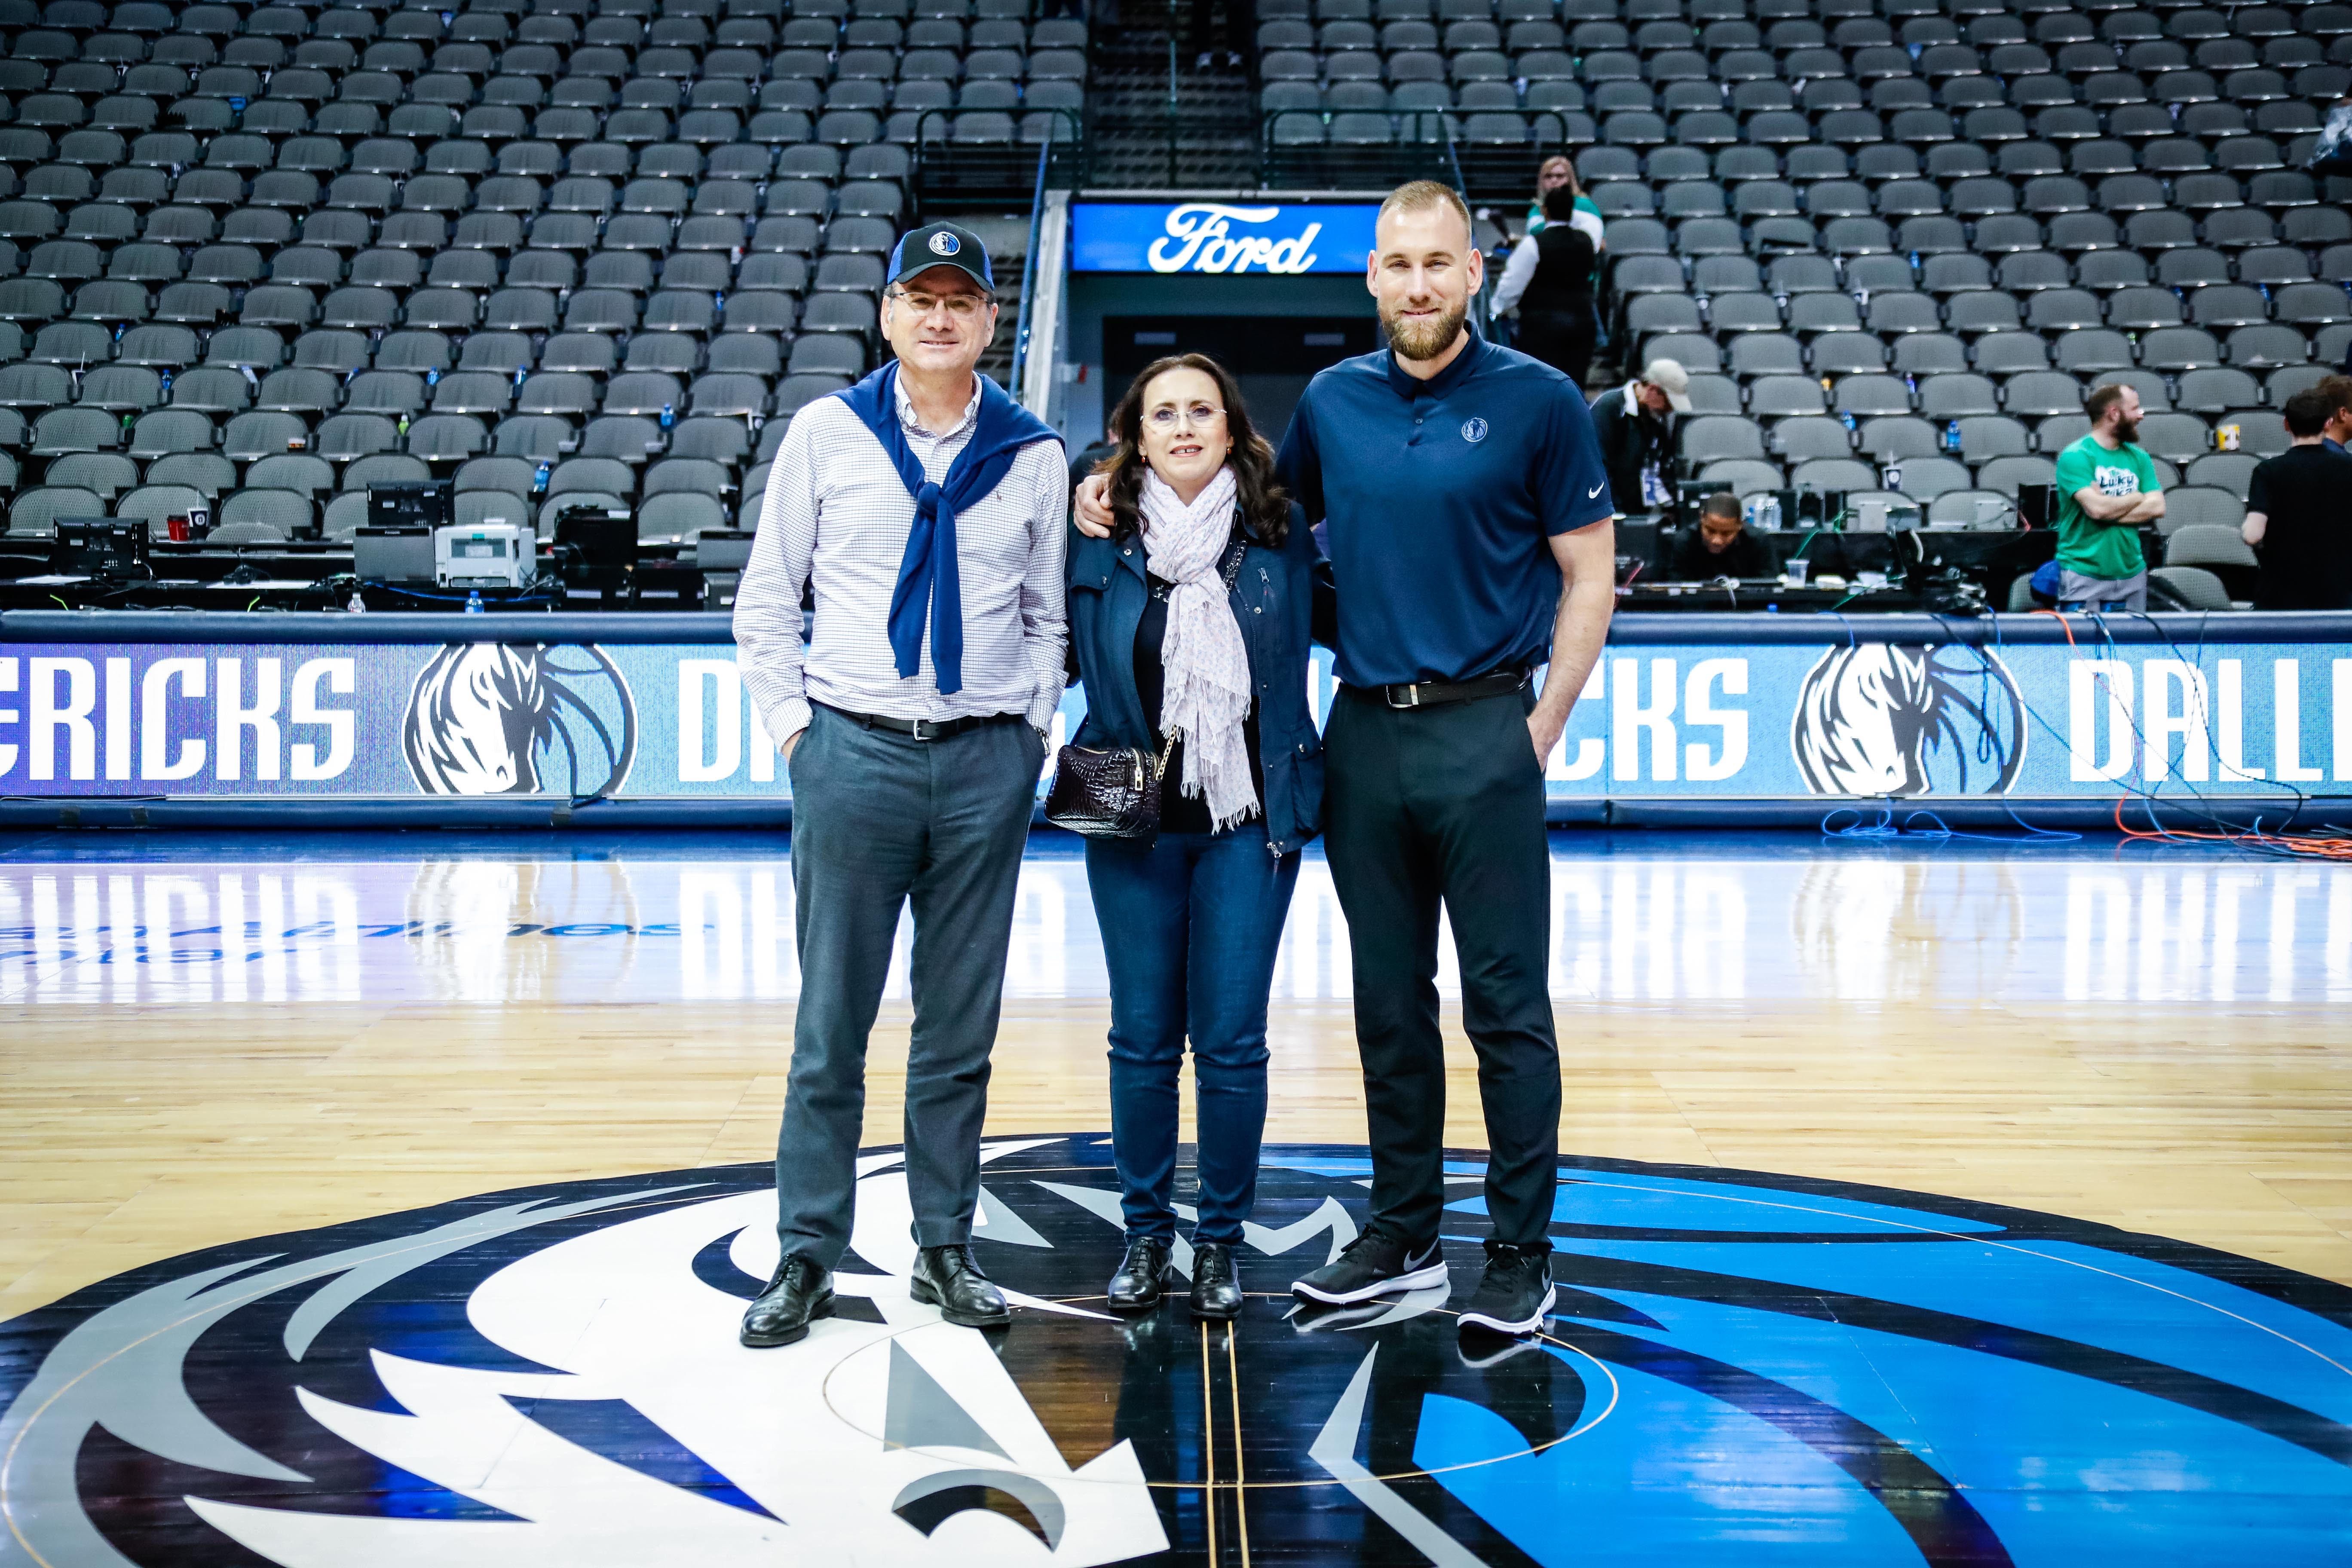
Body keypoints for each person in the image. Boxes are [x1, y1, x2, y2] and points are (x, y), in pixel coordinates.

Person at [1078, 181, 1617, 1338]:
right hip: (1363, 731)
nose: (1418, 285)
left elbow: (1591, 573)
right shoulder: (1333, 401)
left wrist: (1543, 724)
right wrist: (1102, 475)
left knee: (1507, 1005)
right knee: (1387, 1003)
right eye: (1398, 266)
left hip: (1487, 725)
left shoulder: (1543, 401)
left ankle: (1520, 1250)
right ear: (1371, 277)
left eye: (1439, 263)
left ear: (1474, 272)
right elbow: (1245, 520)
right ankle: (1406, 1233)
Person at [732, 221, 1068, 1349]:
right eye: (918, 298)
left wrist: (1026, 740)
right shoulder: (826, 435)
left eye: (959, 301)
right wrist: (800, 740)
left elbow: (1045, 620)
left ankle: (943, 1246)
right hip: (853, 754)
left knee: (957, 1033)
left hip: (983, 761)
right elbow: (767, 605)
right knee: (831, 1027)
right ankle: (806, 1254)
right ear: (886, 315)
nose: (938, 316)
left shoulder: (1033, 453)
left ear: (987, 323)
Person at [1066, 353, 1320, 1321]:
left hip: (1251, 821)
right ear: (1133, 434)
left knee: (1231, 1043)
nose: (1182, 427)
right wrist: (1093, 481)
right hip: (1128, 814)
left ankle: (1219, 1245)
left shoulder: (1280, 530)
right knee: (1139, 1040)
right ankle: (1144, 1239)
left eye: (1200, 411)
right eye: (1161, 413)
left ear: (1230, 427)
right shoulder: (1095, 531)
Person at [2051, 383, 2162, 613]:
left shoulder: (2139, 458)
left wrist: (2107, 509)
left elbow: (2158, 507)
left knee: (2134, 649)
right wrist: (2136, 497)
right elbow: (2098, 510)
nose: (2141, 415)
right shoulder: (2076, 456)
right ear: (2114, 414)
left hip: (2133, 574)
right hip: (2084, 575)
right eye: (2135, 409)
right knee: (2084, 650)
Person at [2242, 388, 2352, 611]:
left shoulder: (2268, 471)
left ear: (2286, 425)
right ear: (2328, 424)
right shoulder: (2349, 469)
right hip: (2338, 597)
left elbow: (2253, 535)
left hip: (2280, 599)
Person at [1492, 186, 1601, 388]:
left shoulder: (1533, 244)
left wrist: (1498, 309)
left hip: (1542, 329)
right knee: (1574, 389)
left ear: (1544, 211)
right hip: (1583, 326)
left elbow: (1512, 285)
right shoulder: (1587, 242)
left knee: (1542, 389)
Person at [1589, 360, 1693, 517]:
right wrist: (1615, 512)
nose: (1669, 410)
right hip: (1609, 512)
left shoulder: (1656, 419)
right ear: (1653, 390)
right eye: (1668, 403)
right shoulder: (1608, 409)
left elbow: (1657, 466)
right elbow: (1598, 465)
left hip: (1638, 511)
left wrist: (1669, 506)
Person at [1669, 490, 1773, 579]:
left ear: (1740, 524)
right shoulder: (1685, 541)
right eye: (1711, 531)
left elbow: (1768, 589)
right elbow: (1677, 590)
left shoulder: (1758, 541)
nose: (1717, 541)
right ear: (1702, 518)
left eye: (1726, 533)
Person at [1523, 155, 1604, 245]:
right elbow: (1533, 238)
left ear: (1570, 179)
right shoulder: (1535, 210)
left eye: (1560, 176)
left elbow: (1601, 243)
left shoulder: (1586, 205)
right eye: (1548, 176)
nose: (1554, 181)